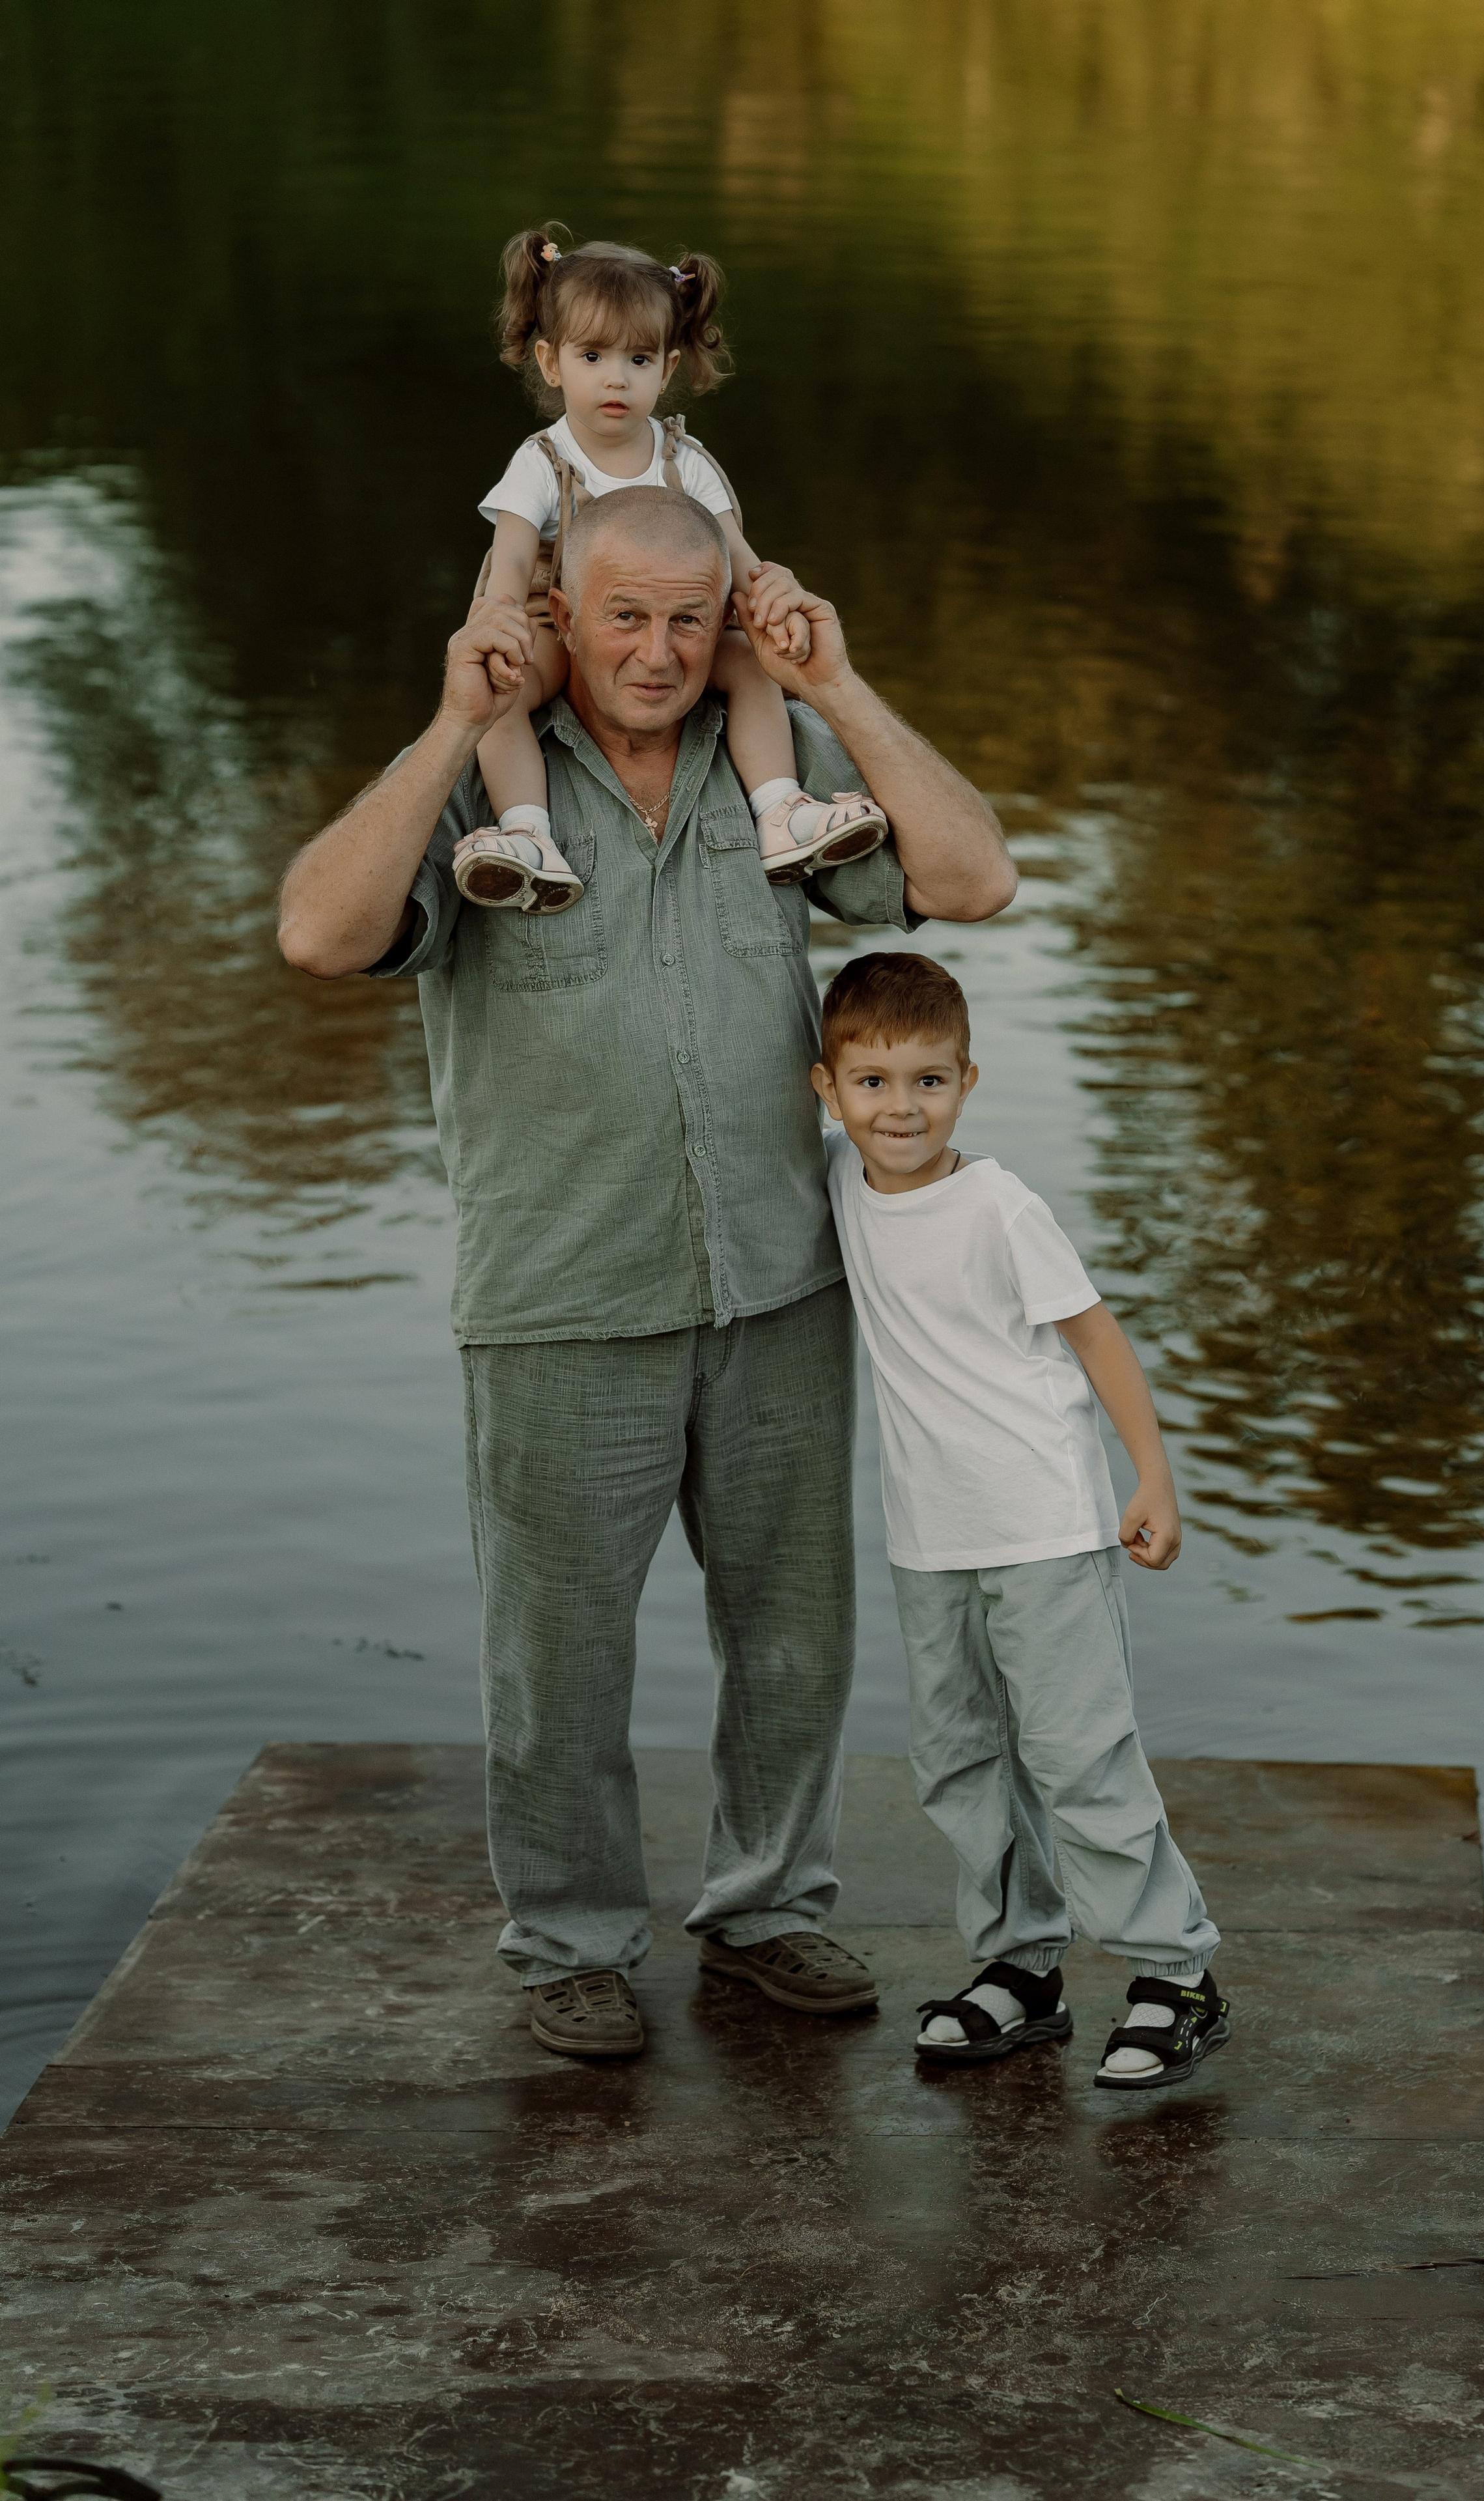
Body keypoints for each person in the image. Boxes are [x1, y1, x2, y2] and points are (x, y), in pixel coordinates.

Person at [277, 485, 1016, 2061]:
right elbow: (320, 936)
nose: (660, 649)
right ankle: (568, 1938)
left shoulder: (779, 775)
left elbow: (970, 882)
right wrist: (443, 721)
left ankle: (764, 1909)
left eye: (692, 615)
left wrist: (828, 682)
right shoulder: (493, 797)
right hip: (560, 1297)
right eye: (623, 613)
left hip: (778, 1288)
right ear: (553, 607)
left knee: (795, 1635)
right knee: (556, 1655)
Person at [811, 952, 1229, 2089]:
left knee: (1076, 1754)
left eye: (931, 1082)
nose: (903, 1108)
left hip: (1044, 1521)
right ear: (829, 1090)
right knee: (957, 1759)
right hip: (929, 1538)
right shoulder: (840, 1178)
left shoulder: (1001, 1206)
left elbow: (1097, 1337)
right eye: (875, 1084)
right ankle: (1020, 1969)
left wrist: (1152, 1474)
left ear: (969, 1081)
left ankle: (1174, 1975)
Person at [454, 223, 886, 915]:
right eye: (592, 355)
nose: (616, 378)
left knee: (747, 664)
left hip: (666, 633)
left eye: (639, 359)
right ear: (551, 361)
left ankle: (779, 811)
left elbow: (739, 563)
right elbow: (508, 559)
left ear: (670, 367)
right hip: (552, 627)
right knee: (498, 696)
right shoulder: (541, 461)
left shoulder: (684, 459)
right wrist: (498, 623)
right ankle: (527, 834)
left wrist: (778, 598)